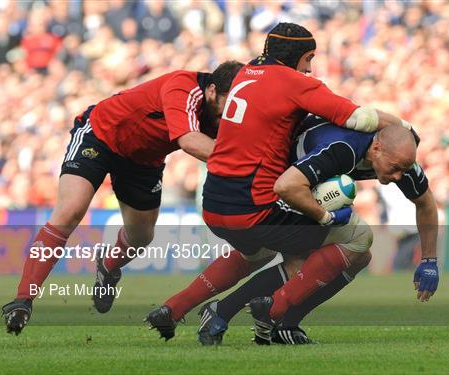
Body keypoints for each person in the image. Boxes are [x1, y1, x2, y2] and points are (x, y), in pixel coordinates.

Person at [144, 22, 415, 341]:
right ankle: (272, 317)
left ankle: (173, 309)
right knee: (356, 240)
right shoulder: (293, 81)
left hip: (215, 200)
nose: (310, 69)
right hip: (254, 204)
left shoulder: (247, 72)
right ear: (295, 55)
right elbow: (358, 118)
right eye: (308, 59)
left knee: (255, 254)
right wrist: (402, 125)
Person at [2, 60, 244, 335]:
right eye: (230, 101)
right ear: (212, 91)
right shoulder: (184, 88)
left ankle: (108, 265)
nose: (234, 110)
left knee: (141, 237)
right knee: (69, 211)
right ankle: (22, 300)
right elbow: (190, 141)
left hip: (143, 161)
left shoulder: (228, 111)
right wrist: (246, 164)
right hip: (100, 135)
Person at [197, 116, 438, 345]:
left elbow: (425, 203)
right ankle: (229, 312)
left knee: (356, 257)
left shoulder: (399, 161)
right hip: (274, 183)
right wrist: (326, 216)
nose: (399, 176)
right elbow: (290, 182)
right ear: (376, 149)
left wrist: (429, 259)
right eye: (395, 168)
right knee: (306, 262)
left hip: (295, 185)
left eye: (403, 170)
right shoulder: (342, 146)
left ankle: (280, 323)